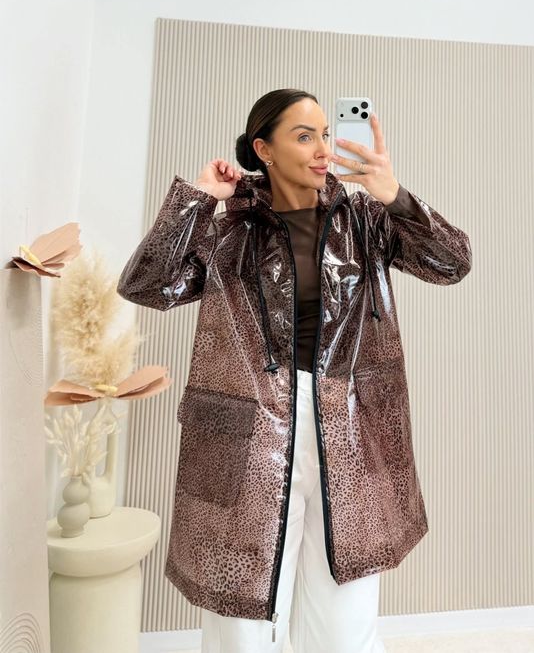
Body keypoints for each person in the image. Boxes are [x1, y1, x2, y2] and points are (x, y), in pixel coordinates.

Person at [116, 89, 472, 653]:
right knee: (241, 618)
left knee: (344, 621)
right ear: (265, 149)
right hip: (249, 433)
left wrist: (395, 195)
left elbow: (453, 263)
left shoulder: (365, 220)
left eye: (326, 134)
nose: (323, 149)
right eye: (304, 137)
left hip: (350, 428)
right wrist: (198, 199)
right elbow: (147, 285)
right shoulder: (230, 229)